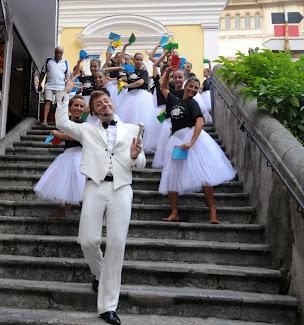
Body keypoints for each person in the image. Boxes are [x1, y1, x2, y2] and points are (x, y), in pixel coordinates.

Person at [55, 82, 146, 325]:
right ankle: (99, 272)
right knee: (87, 240)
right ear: (94, 111)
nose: (104, 104)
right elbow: (61, 123)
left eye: (106, 101)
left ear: (112, 103)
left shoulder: (132, 129)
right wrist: (66, 93)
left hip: (122, 188)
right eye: (98, 104)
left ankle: (108, 307)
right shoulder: (87, 129)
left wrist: (137, 157)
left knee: (116, 244)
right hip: (95, 185)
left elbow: (142, 162)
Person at [158, 71, 236, 224]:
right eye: (191, 86)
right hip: (176, 140)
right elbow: (164, 87)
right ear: (185, 85)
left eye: (196, 88)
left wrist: (191, 142)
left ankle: (213, 211)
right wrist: (168, 71)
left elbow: (200, 123)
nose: (193, 89)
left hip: (191, 139)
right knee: (172, 175)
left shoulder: (193, 104)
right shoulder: (173, 99)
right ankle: (174, 212)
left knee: (203, 176)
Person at [34, 95, 87, 217]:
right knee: (70, 186)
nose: (78, 108)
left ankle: (83, 216)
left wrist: (60, 135)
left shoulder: (83, 123)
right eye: (76, 105)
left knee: (80, 187)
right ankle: (63, 210)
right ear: (69, 107)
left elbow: (76, 136)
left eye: (81, 106)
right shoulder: (66, 122)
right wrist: (56, 138)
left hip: (79, 156)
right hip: (67, 155)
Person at [117, 53, 154, 126]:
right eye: (137, 59)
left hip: (142, 97)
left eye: (141, 60)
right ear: (134, 60)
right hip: (129, 97)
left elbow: (140, 82)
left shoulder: (144, 72)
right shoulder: (130, 71)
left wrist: (128, 86)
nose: (139, 61)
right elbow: (123, 79)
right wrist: (120, 82)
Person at [38, 46, 70, 125]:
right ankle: (45, 120)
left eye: (60, 53)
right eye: (57, 53)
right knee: (47, 101)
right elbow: (43, 73)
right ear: (54, 52)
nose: (59, 54)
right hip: (49, 85)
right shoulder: (48, 60)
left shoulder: (65, 62)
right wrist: (39, 83)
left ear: (62, 53)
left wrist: (68, 86)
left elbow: (67, 76)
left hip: (60, 86)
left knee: (59, 104)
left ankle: (57, 121)